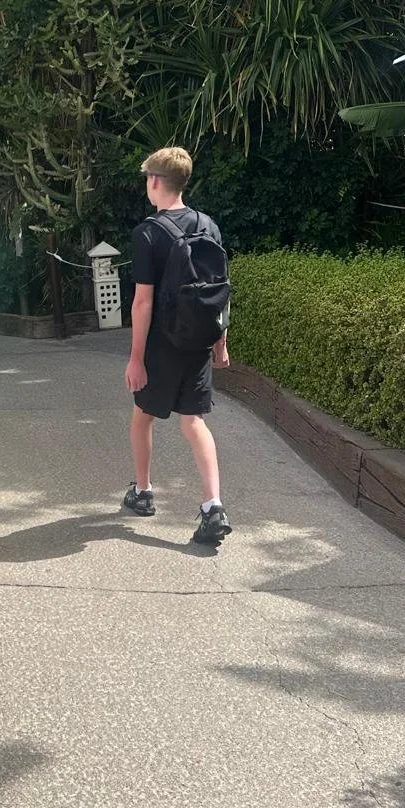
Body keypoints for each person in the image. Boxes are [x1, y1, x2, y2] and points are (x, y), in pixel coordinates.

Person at [122, 146, 233, 546]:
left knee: (143, 416)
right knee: (194, 421)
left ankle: (143, 491)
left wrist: (136, 359)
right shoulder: (208, 225)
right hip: (199, 341)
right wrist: (220, 342)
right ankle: (213, 506)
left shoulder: (148, 232)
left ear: (155, 181)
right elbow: (219, 291)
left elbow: (143, 302)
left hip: (162, 344)